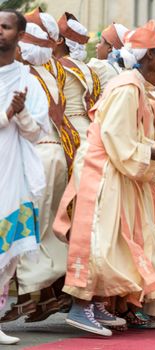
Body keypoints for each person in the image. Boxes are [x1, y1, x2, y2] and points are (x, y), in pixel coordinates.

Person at [53, 20, 155, 337]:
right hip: (103, 169)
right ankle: (80, 307)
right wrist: (149, 152)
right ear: (148, 57)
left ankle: (96, 304)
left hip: (115, 167)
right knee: (100, 239)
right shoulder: (127, 87)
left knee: (118, 242)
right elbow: (114, 135)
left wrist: (154, 151)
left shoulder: (133, 85)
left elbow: (127, 136)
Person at [5, 22, 72, 325]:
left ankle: (25, 298)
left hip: (33, 159)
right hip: (52, 154)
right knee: (39, 229)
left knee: (23, 230)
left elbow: (32, 130)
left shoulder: (28, 77)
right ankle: (38, 295)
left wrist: (14, 114)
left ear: (22, 43)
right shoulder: (46, 74)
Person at [0, 9, 49, 345]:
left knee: (7, 255)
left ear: (19, 36)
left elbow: (36, 133)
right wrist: (8, 114)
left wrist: (22, 115)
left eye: (4, 27)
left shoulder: (29, 81)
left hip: (12, 168)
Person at [54, 12, 100, 144]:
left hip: (66, 135)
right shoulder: (90, 70)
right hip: (90, 134)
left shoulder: (56, 67)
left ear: (59, 40)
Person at [88, 23, 128, 92]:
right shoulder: (124, 71)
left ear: (110, 48)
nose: (96, 46)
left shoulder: (100, 66)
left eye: (100, 42)